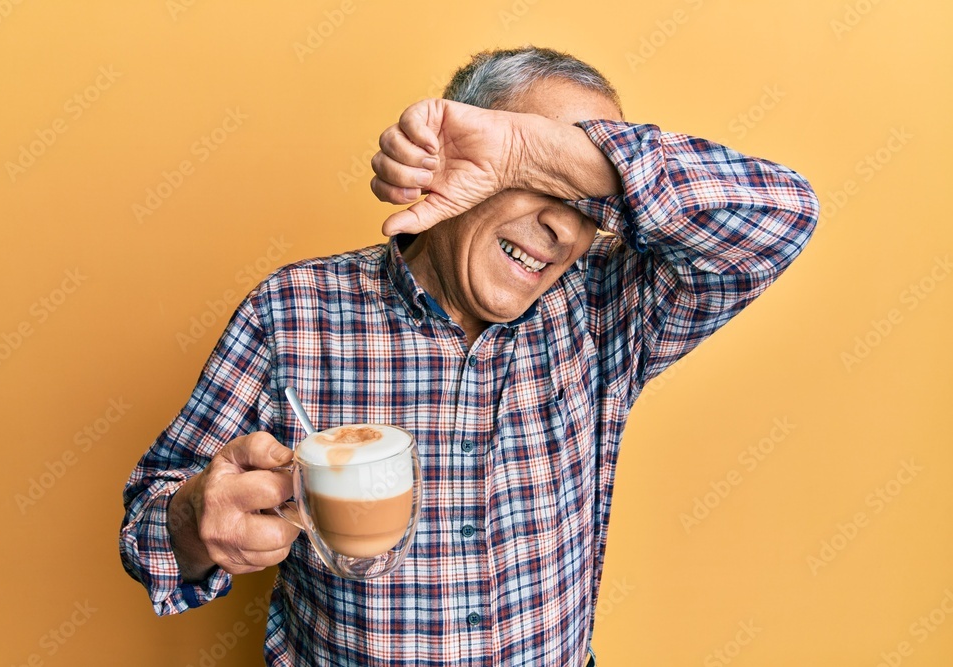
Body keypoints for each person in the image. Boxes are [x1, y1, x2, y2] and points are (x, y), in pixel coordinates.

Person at [120, 46, 819, 666]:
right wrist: (192, 521)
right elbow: (145, 528)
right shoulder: (294, 311)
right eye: (534, 178)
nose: (563, 225)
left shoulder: (610, 307)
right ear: (453, 160)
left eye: (586, 202)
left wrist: (537, 153)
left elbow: (786, 214)